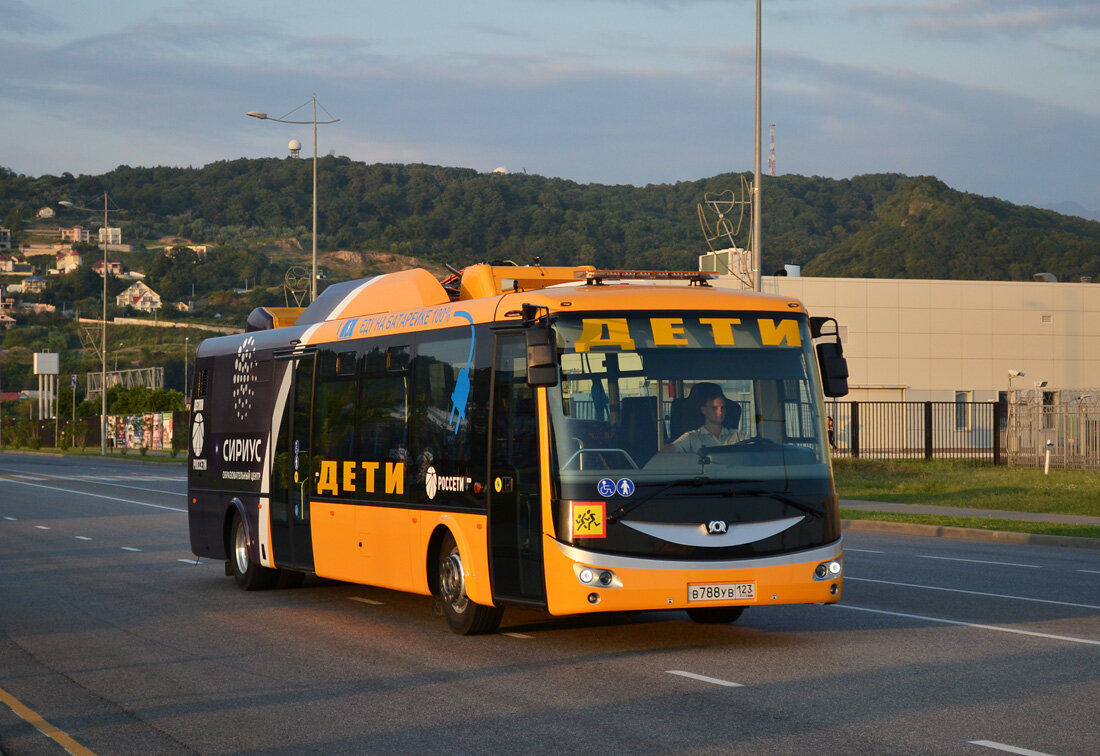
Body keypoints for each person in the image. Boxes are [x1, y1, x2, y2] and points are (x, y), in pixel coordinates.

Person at [665, 382, 746, 454]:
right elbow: (669, 450)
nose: (720, 412)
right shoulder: (692, 437)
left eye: (722, 408)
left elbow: (754, 450)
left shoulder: (738, 436)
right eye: (714, 408)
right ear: (704, 410)